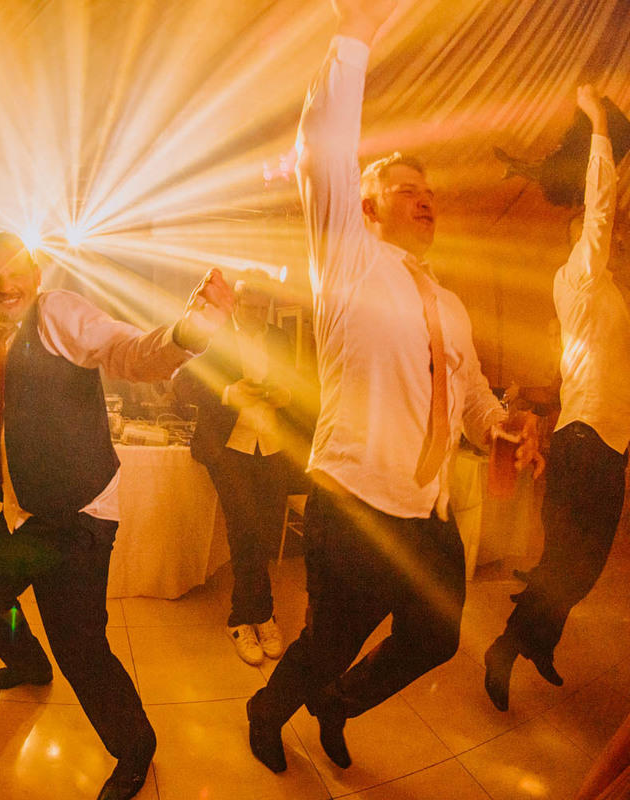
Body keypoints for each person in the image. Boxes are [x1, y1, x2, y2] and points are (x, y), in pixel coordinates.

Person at [244, 0, 543, 775]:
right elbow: (323, 154)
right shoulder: (349, 261)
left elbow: (471, 399)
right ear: (368, 207)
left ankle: (337, 704)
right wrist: (357, 33)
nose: (424, 195)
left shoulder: (450, 304)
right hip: (355, 499)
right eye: (406, 186)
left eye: (427, 188)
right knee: (330, 641)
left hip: (427, 511)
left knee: (436, 637)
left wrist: (501, 425)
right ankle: (267, 710)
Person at [0, 232, 234, 800]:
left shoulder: (57, 312)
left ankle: (135, 747)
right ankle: (28, 662)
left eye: (16, 272)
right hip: (25, 511)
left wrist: (186, 334)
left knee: (81, 647)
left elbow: (125, 350)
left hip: (76, 513)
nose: (6, 285)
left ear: (36, 276)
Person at [484, 86, 630, 712]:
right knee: (565, 564)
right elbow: (599, 211)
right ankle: (507, 646)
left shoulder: (610, 294)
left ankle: (537, 642)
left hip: (612, 442)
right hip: (583, 437)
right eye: (594, 232)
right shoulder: (578, 276)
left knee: (584, 570)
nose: (608, 237)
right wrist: (598, 125)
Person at [175, 272, 296, 666]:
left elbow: (297, 384)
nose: (256, 314)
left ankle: (249, 615)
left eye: (263, 308)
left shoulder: (280, 339)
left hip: (272, 445)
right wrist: (228, 393)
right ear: (237, 303)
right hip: (228, 448)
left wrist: (286, 395)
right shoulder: (216, 335)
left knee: (265, 531)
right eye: (249, 306)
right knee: (245, 530)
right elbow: (182, 384)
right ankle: (253, 617)